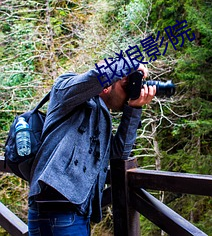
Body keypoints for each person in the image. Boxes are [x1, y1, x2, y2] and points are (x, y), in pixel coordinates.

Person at [27, 58, 156, 236]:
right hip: (58, 210)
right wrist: (130, 65)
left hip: (74, 212)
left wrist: (134, 109)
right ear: (107, 84)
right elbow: (96, 77)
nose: (128, 93)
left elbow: (118, 153)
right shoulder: (65, 88)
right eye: (124, 85)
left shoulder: (101, 116)